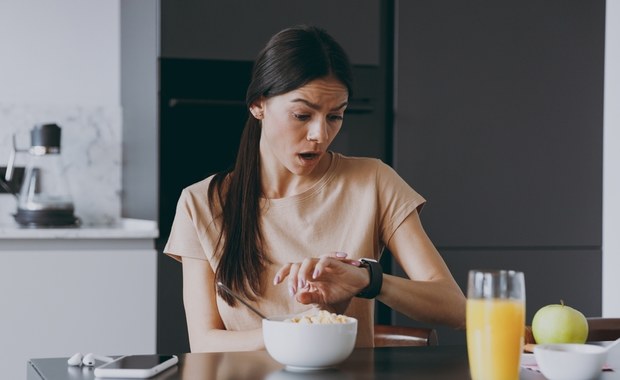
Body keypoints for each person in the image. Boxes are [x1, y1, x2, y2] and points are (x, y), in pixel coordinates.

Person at [164, 25, 466, 352]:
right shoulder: (201, 203)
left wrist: (367, 279)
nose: (319, 134)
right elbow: (204, 343)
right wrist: (296, 329)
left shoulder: (373, 181)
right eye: (302, 114)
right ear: (258, 105)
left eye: (335, 116)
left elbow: (455, 308)